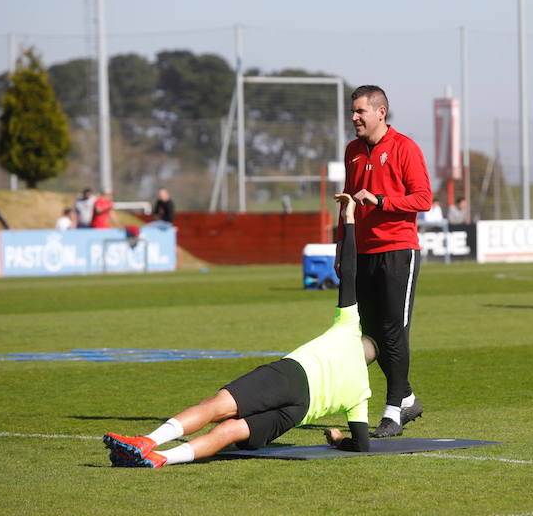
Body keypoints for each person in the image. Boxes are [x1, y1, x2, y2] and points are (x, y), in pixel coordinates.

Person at [102, 194, 374, 468]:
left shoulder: (349, 328)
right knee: (230, 431)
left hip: (292, 375)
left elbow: (348, 272)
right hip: (298, 412)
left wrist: (349, 217)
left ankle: (147, 442)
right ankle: (163, 459)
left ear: (363, 342)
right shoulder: (362, 390)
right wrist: (340, 440)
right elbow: (362, 445)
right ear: (368, 364)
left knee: (216, 406)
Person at [338, 84, 432, 438]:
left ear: (381, 112)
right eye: (353, 111)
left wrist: (381, 200)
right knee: (373, 337)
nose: (354, 117)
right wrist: (341, 250)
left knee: (395, 332)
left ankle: (393, 412)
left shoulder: (405, 147)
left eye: (360, 111)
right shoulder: (352, 151)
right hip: (362, 253)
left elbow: (423, 198)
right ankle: (406, 397)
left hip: (398, 251)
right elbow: (346, 203)